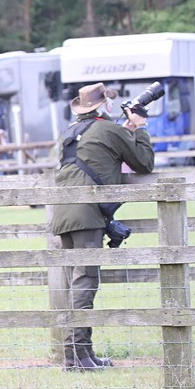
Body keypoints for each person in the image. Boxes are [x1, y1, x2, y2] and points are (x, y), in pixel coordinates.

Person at [50, 83, 155, 371]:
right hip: (87, 213)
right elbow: (144, 163)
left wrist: (126, 130)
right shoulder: (109, 129)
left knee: (77, 284)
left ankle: (83, 353)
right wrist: (140, 127)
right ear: (104, 106)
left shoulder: (72, 131)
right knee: (85, 283)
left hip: (64, 212)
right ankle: (76, 357)